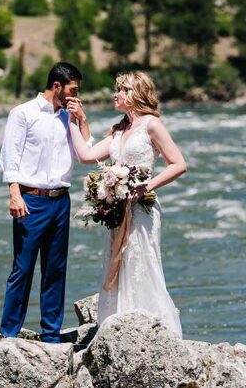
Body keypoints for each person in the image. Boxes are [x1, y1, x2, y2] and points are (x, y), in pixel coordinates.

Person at [66, 71, 186, 337]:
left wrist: (147, 186)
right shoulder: (118, 130)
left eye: (119, 90)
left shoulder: (151, 125)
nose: (115, 94)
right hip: (119, 212)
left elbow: (178, 164)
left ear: (133, 94)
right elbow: (86, 156)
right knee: (117, 264)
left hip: (142, 210)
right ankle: (117, 330)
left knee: (141, 264)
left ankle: (152, 331)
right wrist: (73, 121)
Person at [0, 62, 93, 342]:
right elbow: (10, 155)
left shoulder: (69, 116)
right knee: (23, 268)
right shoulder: (23, 113)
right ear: (57, 87)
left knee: (55, 269)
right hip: (31, 200)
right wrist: (14, 193)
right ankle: (9, 334)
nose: (76, 95)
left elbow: (86, 151)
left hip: (61, 201)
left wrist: (82, 120)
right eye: (73, 90)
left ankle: (50, 334)